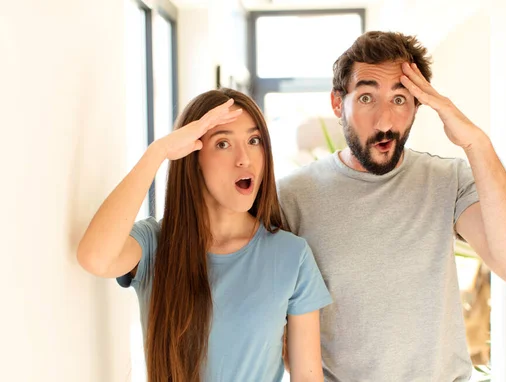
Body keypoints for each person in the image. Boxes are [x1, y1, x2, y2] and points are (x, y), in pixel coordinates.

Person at [277, 31, 506, 381]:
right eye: (367, 97)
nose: (385, 121)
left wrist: (475, 142)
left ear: (418, 106)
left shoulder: (449, 181)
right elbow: (278, 327)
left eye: (400, 100)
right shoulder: (292, 197)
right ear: (338, 103)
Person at [77, 88, 332, 382]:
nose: (244, 158)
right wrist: (158, 152)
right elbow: (94, 257)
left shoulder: (292, 256)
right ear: (192, 157)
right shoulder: (154, 244)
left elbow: (308, 377)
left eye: (254, 140)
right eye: (223, 143)